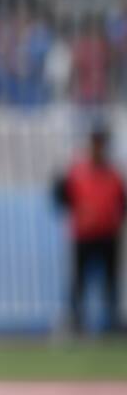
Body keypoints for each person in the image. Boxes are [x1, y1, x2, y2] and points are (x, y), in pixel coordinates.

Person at [55, 125, 125, 333]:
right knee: (79, 280)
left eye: (101, 143)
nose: (98, 148)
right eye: (95, 143)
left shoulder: (114, 174)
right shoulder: (76, 173)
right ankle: (76, 321)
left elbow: (123, 202)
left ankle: (112, 321)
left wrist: (114, 220)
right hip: (83, 236)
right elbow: (61, 199)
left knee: (111, 281)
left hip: (108, 235)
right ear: (90, 145)